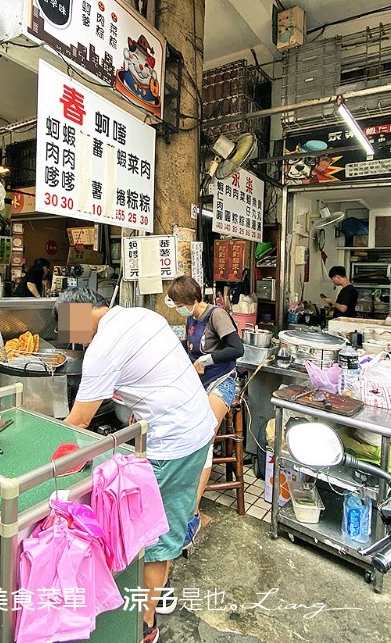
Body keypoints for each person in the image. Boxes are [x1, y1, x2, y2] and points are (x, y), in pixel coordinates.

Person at [57, 288, 217, 643]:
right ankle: (158, 585)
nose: (72, 338)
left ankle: (144, 625)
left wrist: (50, 453)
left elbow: (78, 422)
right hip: (198, 426)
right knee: (170, 517)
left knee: (152, 532)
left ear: (81, 315)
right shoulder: (141, 315)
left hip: (173, 442)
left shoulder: (102, 349)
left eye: (69, 327)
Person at [166, 275, 244, 551]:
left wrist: (207, 359)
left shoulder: (216, 315)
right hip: (198, 384)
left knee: (203, 438)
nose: (177, 308)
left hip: (221, 383)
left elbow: (237, 349)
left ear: (190, 300)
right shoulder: (191, 320)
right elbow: (190, 354)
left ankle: (192, 514)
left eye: (178, 303)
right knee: (184, 436)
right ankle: (181, 502)